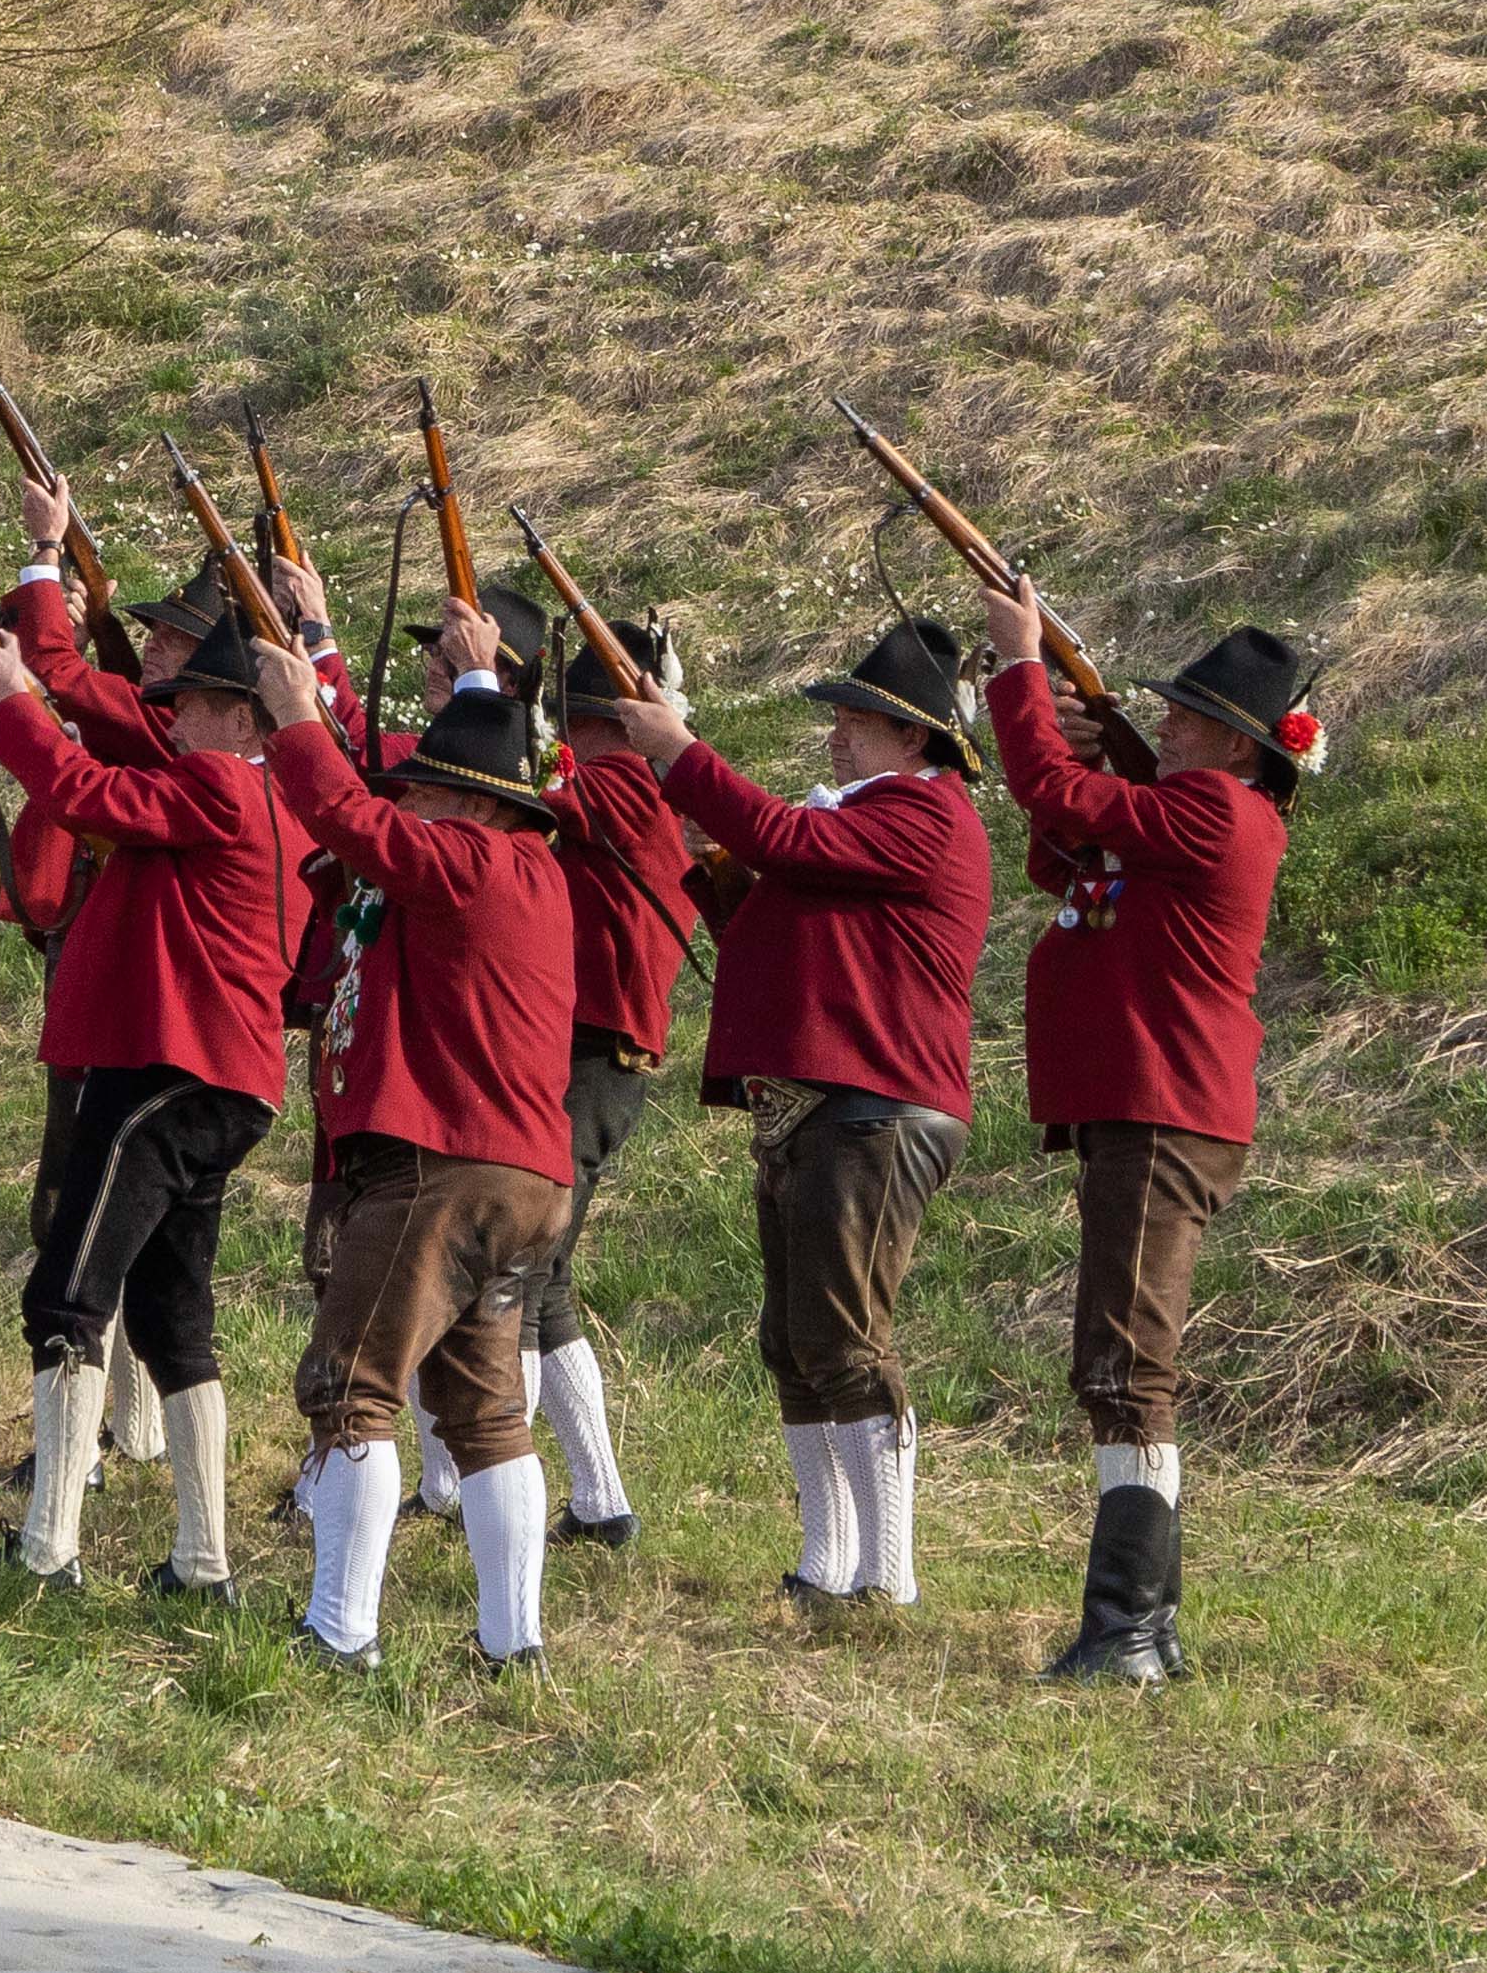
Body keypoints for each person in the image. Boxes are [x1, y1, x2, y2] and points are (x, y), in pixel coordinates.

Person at [593, 615, 999, 1613]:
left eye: (858, 720)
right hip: (828, 1102)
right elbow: (772, 924)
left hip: (875, 1104)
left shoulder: (928, 812)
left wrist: (683, 755)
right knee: (796, 1339)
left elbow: (781, 835)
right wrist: (715, 860)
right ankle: (828, 1561)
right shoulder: (881, 819)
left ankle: (887, 1572)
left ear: (915, 738)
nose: (837, 734)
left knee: (845, 1337)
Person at [0, 486, 303, 1603]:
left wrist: (13, 702)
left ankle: (47, 1547)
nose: (174, 708)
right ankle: (200, 1561)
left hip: (168, 1065)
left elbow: (74, 784)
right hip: (217, 1077)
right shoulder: (261, 794)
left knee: (68, 1293)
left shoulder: (219, 781)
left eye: (198, 698)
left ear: (246, 721)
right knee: (172, 1314)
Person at [984, 587, 1306, 1686]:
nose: (1163, 722)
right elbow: (1065, 846)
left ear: (1233, 741)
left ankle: (1127, 1626)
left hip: (1166, 1107)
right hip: (1152, 1105)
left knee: (1125, 1364)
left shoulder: (1219, 811)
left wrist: (1022, 669)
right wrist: (1092, 754)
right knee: (1125, 1361)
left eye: (1182, 715)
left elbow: (1042, 782)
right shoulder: (1198, 811)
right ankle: (1143, 1626)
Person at [256, 607, 579, 1672]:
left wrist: (299, 716)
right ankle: (510, 1643)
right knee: (486, 1412)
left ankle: (340, 1632)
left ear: (471, 804)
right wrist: (475, 689)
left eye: (430, 792)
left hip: (437, 1163)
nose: (414, 805)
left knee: (352, 1387)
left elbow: (357, 823)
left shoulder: (474, 861)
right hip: (517, 1174)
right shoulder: (519, 870)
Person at [525, 607, 700, 1552]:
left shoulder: (628, 781)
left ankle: (482, 1481)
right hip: (576, 1046)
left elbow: (527, 790)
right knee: (539, 1276)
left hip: (593, 1050)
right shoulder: (618, 780)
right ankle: (598, 1501)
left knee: (519, 1269)